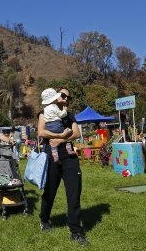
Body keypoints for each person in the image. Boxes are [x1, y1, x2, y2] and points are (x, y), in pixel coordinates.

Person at [37, 87, 88, 246]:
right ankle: (44, 219)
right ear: (56, 97)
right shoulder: (44, 112)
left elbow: (76, 134)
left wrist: (61, 140)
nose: (66, 99)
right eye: (63, 95)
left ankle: (75, 231)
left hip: (69, 156)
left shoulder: (70, 115)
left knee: (74, 191)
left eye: (68, 97)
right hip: (51, 155)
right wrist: (59, 136)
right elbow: (41, 132)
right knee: (50, 191)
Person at [41, 88, 74, 163]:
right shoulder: (54, 107)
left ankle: (55, 156)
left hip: (49, 127)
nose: (66, 98)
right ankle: (69, 149)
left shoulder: (45, 110)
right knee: (68, 133)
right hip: (57, 126)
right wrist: (65, 110)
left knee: (53, 143)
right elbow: (61, 115)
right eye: (62, 96)